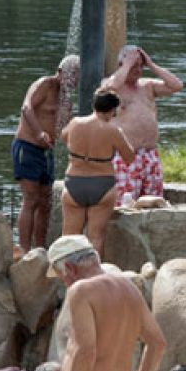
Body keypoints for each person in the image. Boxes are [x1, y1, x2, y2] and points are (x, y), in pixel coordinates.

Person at [48, 234, 168, 371]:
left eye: (62, 276)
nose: (65, 282)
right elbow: (157, 343)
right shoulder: (129, 288)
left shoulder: (81, 290)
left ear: (70, 267)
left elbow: (85, 350)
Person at [98, 45, 184, 206]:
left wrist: (150, 64)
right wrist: (127, 63)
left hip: (150, 155)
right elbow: (109, 88)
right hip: (127, 156)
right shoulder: (114, 86)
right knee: (124, 202)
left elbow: (176, 85)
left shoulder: (148, 85)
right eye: (133, 66)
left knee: (154, 202)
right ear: (121, 66)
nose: (137, 69)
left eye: (140, 66)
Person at [12, 55, 78, 251]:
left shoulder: (66, 100)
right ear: (60, 72)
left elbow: (66, 128)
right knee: (30, 199)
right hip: (28, 146)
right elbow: (26, 107)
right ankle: (25, 249)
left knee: (45, 202)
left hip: (46, 152)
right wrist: (39, 132)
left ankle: (40, 247)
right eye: (71, 75)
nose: (73, 80)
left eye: (77, 76)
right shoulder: (45, 84)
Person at [60, 90, 135, 256]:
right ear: (112, 110)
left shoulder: (75, 123)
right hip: (102, 184)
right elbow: (129, 157)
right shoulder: (113, 130)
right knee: (96, 237)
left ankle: (67, 278)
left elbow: (64, 137)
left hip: (74, 182)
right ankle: (92, 277)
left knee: (69, 237)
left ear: (94, 105)